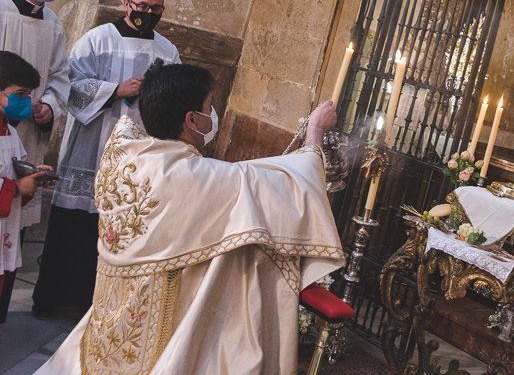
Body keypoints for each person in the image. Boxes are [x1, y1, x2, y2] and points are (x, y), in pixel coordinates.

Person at [36, 63, 344, 374]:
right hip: (160, 330)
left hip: (111, 318)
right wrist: (315, 132)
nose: (213, 117)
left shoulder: (127, 153)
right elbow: (280, 188)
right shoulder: (190, 177)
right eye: (210, 108)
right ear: (191, 119)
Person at [32, 0, 180, 317]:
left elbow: (176, 91)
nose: (148, 12)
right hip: (93, 146)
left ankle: (102, 306)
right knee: (78, 225)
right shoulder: (98, 39)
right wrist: (115, 90)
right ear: (126, 4)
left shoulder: (167, 50)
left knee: (122, 226)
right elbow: (71, 85)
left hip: (139, 152)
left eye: (155, 8)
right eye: (142, 6)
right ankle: (58, 301)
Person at [0, 0, 72, 229]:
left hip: (30, 127)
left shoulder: (53, 22)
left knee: (17, 220)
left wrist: (51, 108)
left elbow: (60, 75)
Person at [0, 52, 55, 323]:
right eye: (20, 94)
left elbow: (15, 166)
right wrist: (17, 187)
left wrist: (33, 173)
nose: (26, 102)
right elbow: (14, 184)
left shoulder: (9, 131)